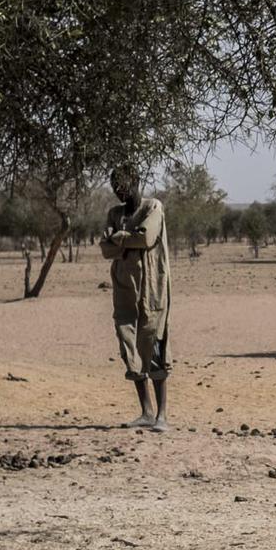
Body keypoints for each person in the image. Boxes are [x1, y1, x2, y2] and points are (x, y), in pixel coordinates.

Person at [99, 165, 171, 431]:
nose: (118, 190)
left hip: (152, 287)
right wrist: (124, 239)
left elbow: (146, 238)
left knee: (153, 343)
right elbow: (105, 250)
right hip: (124, 288)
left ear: (136, 182)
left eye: (122, 184)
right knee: (128, 345)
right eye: (114, 185)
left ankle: (162, 415)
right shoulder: (114, 213)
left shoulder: (153, 207)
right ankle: (146, 411)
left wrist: (119, 237)